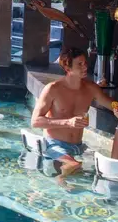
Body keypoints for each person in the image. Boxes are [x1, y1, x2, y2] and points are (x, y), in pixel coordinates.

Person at [31, 46, 111, 177]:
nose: (85, 67)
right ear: (68, 69)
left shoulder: (91, 88)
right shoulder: (52, 89)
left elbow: (112, 105)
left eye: (85, 63)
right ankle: (60, 181)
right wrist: (68, 122)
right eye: (80, 64)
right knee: (73, 165)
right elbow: (35, 121)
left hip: (79, 147)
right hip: (54, 145)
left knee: (105, 168)